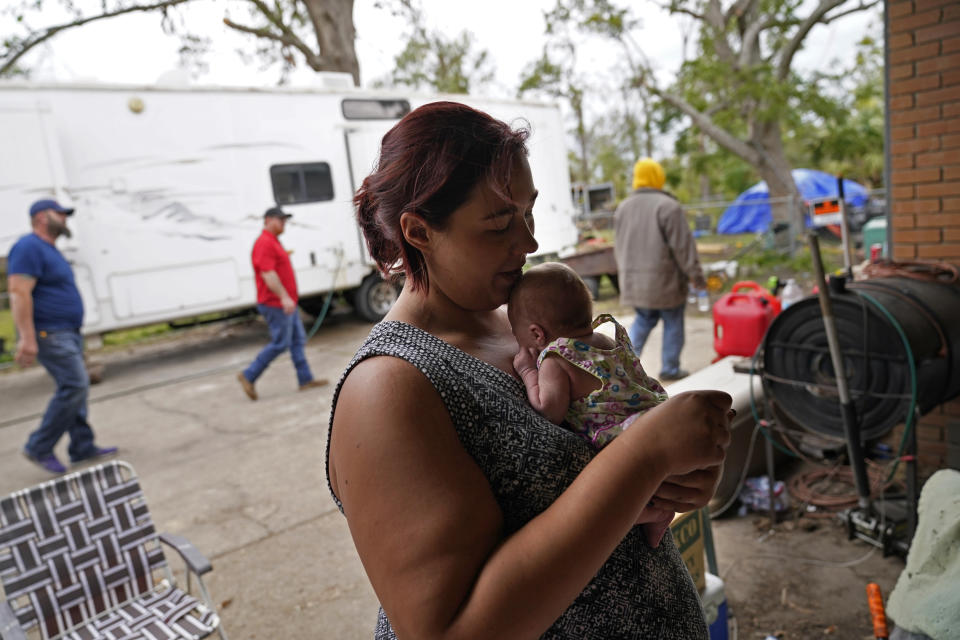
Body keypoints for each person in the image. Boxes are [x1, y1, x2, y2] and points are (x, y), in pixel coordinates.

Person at [327, 101, 733, 639]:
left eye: (528, 213)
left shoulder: (524, 324)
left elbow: (596, 480)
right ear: (419, 232)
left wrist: (673, 476)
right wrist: (646, 456)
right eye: (499, 224)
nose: (529, 243)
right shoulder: (390, 386)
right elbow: (447, 633)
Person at [507, 261, 677, 548]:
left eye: (516, 333)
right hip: (652, 419)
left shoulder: (556, 357)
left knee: (607, 500)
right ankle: (658, 508)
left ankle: (650, 513)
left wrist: (527, 371)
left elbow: (549, 411)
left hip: (621, 442)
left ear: (537, 334)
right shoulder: (605, 340)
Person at [8, 199, 117, 475]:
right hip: (49, 333)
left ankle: (82, 446)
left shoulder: (49, 250)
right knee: (75, 385)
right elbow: (19, 292)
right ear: (43, 217)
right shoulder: (28, 247)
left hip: (66, 332)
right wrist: (28, 338)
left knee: (75, 388)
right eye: (61, 214)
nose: (66, 220)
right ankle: (39, 446)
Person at [614, 158, 706, 381]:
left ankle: (624, 367)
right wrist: (696, 275)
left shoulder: (623, 208)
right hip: (666, 283)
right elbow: (683, 247)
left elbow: (618, 246)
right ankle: (670, 368)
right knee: (673, 321)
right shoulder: (668, 207)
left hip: (635, 282)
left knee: (643, 321)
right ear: (658, 177)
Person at [237, 206, 328, 400]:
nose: (284, 223)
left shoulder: (273, 241)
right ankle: (248, 375)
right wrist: (284, 297)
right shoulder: (264, 243)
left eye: (285, 220)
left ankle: (305, 379)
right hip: (276, 304)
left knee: (297, 341)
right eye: (280, 220)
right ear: (268, 220)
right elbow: (268, 274)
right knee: (281, 343)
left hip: (286, 303)